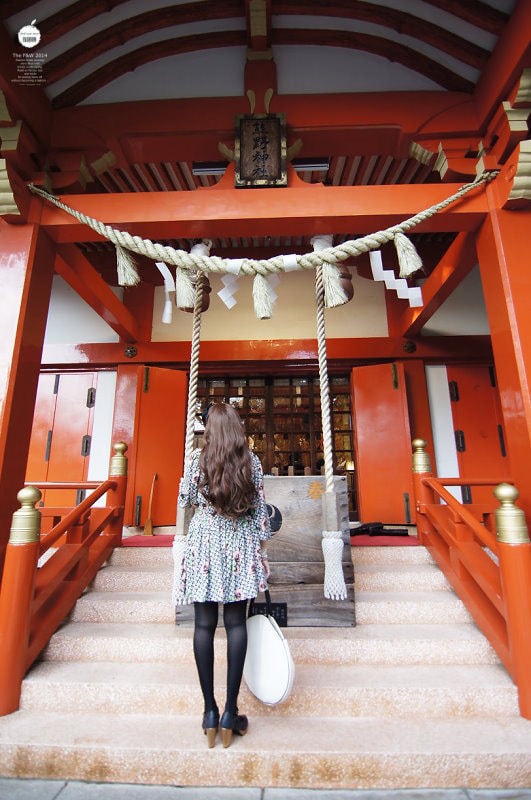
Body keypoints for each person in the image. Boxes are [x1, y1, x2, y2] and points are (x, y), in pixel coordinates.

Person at [176, 402, 271, 748]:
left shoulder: (197, 461)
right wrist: (260, 551)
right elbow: (261, 512)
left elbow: (186, 499)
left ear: (210, 429)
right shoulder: (253, 462)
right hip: (240, 545)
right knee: (236, 624)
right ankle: (231, 712)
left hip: (205, 545)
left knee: (203, 626)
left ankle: (210, 712)